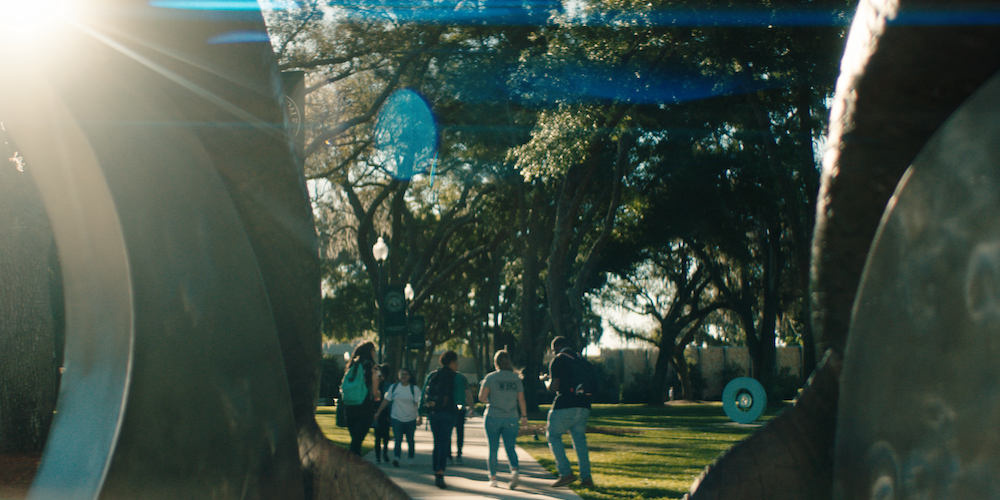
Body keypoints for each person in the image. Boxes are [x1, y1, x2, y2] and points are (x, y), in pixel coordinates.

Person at [543, 336, 594, 488]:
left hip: (565, 405)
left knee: (553, 435)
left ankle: (565, 473)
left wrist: (546, 381)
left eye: (553, 350)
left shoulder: (558, 361)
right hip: (584, 405)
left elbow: (554, 387)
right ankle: (586, 478)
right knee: (579, 440)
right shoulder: (582, 361)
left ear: (557, 347)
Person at [478, 349, 527, 489]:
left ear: (496, 362)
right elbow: (521, 399)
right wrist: (524, 416)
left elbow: (481, 397)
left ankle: (493, 478)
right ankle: (515, 470)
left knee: (493, 449)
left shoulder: (490, 378)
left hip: (493, 415)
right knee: (510, 447)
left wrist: (490, 400)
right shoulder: (515, 378)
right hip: (511, 417)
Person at [420, 350, 465, 489]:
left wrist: (421, 412)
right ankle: (440, 472)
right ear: (452, 362)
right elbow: (459, 398)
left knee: (437, 442)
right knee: (444, 442)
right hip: (448, 414)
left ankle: (436, 470)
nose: (457, 365)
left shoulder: (433, 375)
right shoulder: (456, 377)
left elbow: (424, 394)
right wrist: (459, 410)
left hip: (434, 414)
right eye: (456, 362)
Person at [375, 367, 422, 467]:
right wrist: (378, 412)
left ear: (409, 376)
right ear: (398, 376)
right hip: (396, 417)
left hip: (410, 418)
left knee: (410, 439)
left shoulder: (414, 389)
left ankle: (410, 458)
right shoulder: (394, 387)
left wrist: (419, 416)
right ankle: (397, 458)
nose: (403, 376)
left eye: (406, 374)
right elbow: (386, 400)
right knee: (398, 439)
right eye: (401, 374)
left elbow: (418, 404)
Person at [343, 341, 381, 456]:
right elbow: (374, 392)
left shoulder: (352, 365)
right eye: (374, 350)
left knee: (355, 440)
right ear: (370, 351)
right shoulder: (372, 366)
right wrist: (378, 394)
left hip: (349, 406)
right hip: (364, 407)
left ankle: (354, 466)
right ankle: (351, 466)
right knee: (356, 443)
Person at [450, 369, 473, 465]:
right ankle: (458, 453)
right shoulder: (461, 377)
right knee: (460, 431)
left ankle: (448, 454)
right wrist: (471, 407)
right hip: (459, 408)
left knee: (448, 432)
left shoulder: (440, 375)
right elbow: (467, 393)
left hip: (447, 408)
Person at [372, 363, 392, 464]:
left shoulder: (387, 385)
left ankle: (384, 453)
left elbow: (389, 401)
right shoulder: (375, 384)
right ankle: (378, 456)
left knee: (385, 435)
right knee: (377, 436)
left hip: (385, 413)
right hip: (376, 413)